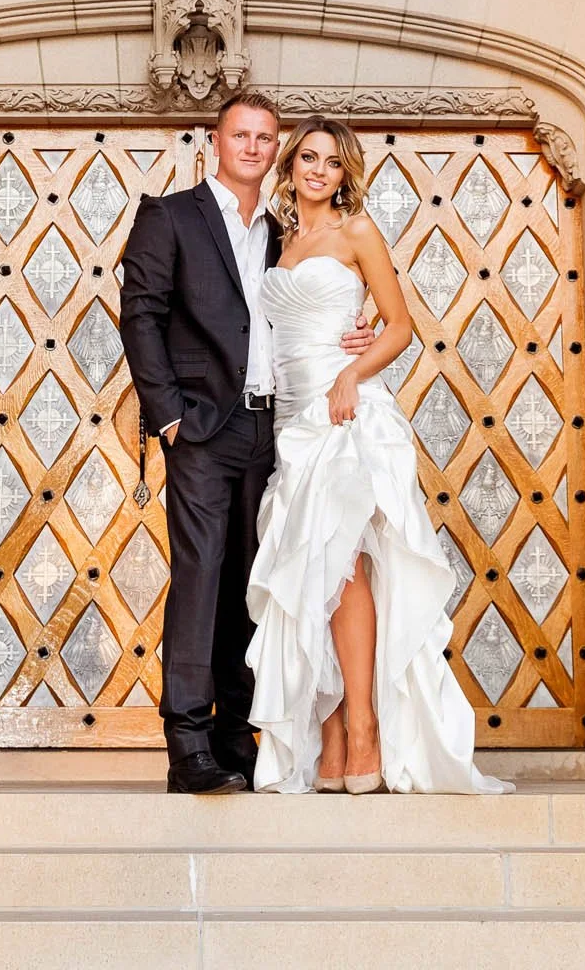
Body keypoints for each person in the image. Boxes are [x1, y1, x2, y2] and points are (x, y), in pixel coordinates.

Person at [244, 117, 509, 795]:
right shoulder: (273, 239)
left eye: (332, 163)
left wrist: (350, 377)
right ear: (290, 165)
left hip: (343, 410)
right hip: (287, 419)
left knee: (348, 565)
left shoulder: (356, 231)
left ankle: (363, 729)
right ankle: (329, 733)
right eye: (308, 158)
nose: (318, 171)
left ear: (344, 174)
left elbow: (399, 325)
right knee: (311, 575)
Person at [117, 90, 372, 794]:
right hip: (201, 426)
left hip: (277, 426)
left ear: (275, 149)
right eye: (242, 135)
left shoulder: (282, 230)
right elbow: (140, 315)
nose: (254, 148)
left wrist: (363, 332)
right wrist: (168, 415)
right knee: (201, 577)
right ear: (216, 140)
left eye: (266, 138)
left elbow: (322, 301)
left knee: (252, 581)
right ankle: (189, 744)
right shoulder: (169, 215)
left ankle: (236, 734)